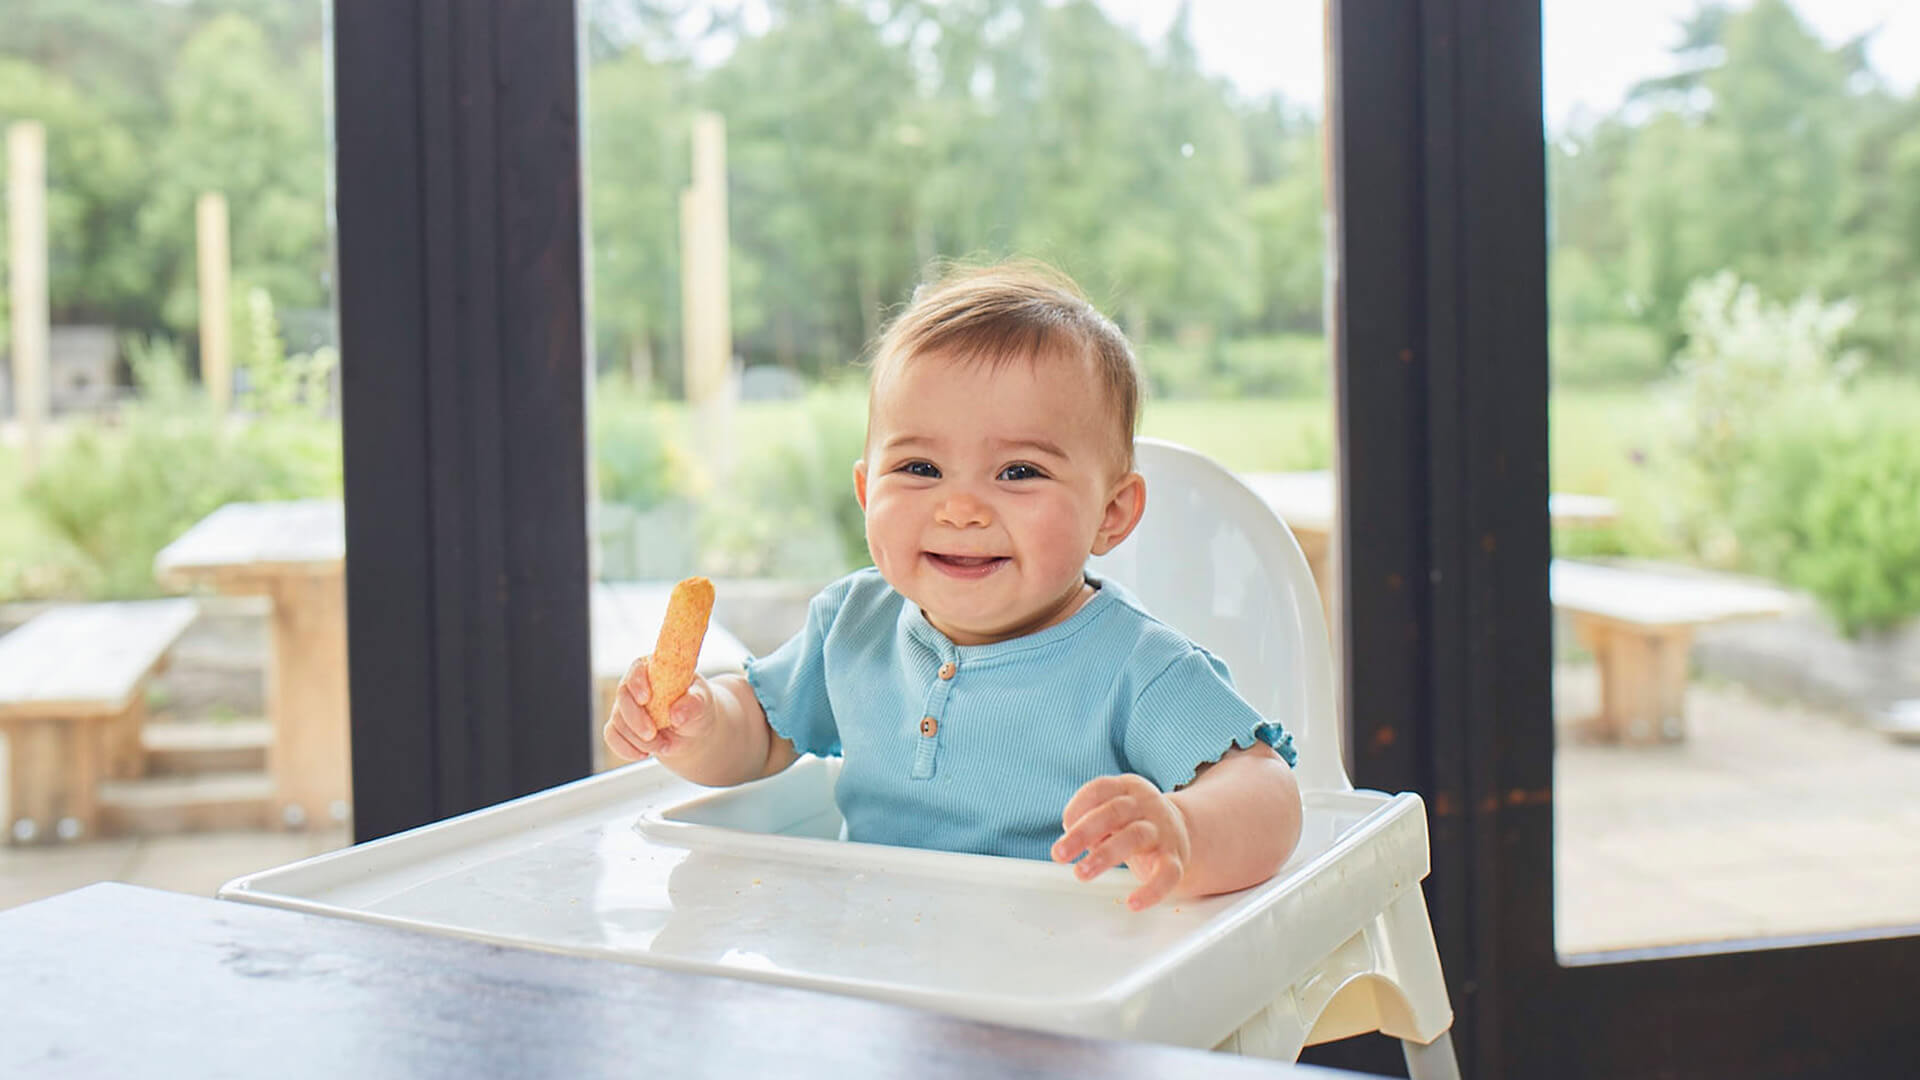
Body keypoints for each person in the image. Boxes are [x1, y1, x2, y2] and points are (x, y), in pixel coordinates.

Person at [604, 262, 1304, 911]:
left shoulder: (1138, 666)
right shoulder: (853, 624)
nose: (961, 508)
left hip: (1061, 971)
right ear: (864, 489)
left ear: (1111, 514)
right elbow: (757, 734)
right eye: (919, 468)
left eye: (1019, 473)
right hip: (879, 955)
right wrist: (694, 721)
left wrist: (1182, 830)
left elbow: (1267, 792)